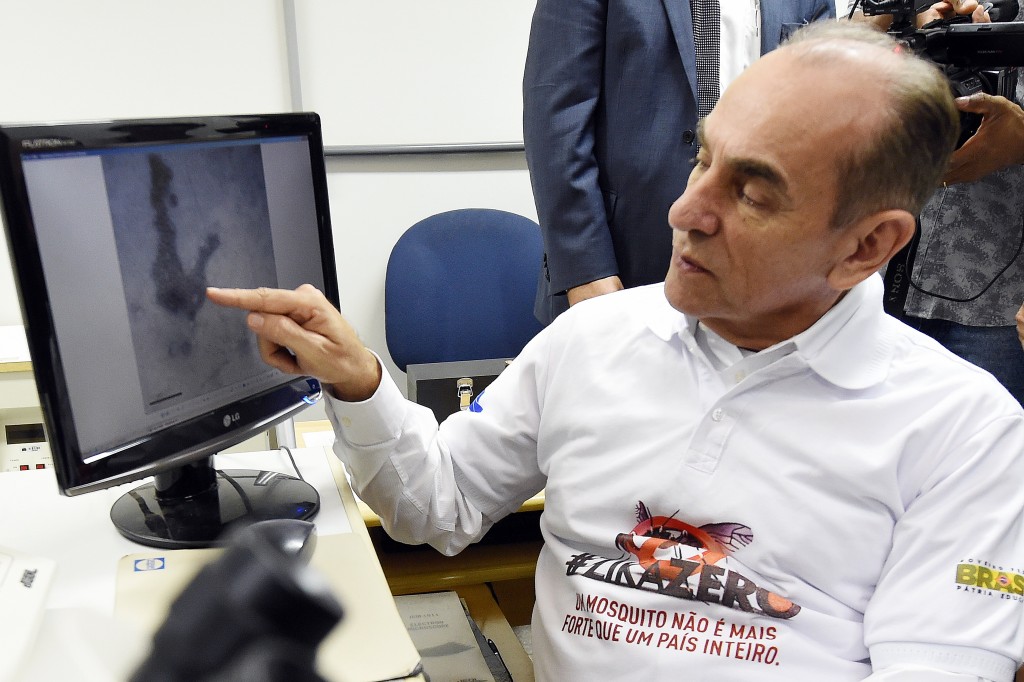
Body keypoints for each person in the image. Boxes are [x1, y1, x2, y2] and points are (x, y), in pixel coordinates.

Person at [208, 22, 1024, 680]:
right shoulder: (595, 339)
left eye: (751, 190)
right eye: (702, 158)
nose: (685, 210)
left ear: (867, 246)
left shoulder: (966, 432)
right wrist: (360, 386)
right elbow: (439, 507)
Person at [523, 0, 836, 325]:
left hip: (757, 281)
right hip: (626, 269)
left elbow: (813, 120)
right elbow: (556, 114)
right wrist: (585, 269)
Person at [850, 0, 1024, 405]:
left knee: (989, 455)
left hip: (996, 306)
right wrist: (894, 23)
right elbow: (825, 77)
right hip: (871, 279)